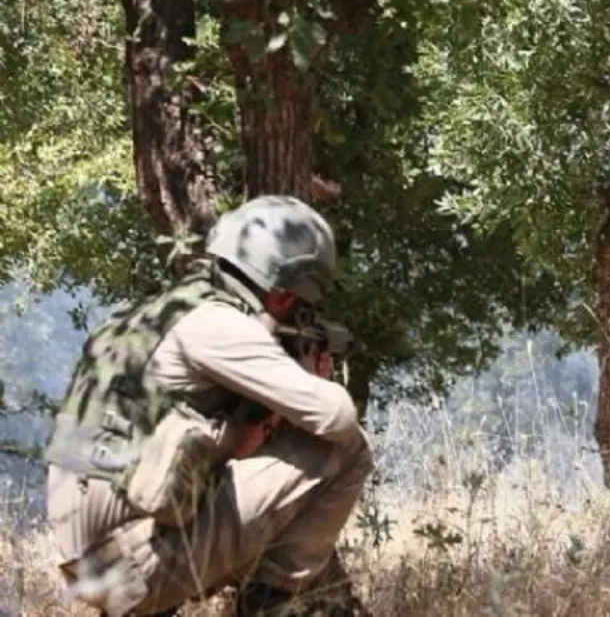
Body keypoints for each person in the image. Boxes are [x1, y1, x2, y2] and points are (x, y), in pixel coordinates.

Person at [42, 195, 375, 616]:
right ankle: (275, 605)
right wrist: (309, 381)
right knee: (345, 449)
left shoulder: (145, 316)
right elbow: (337, 418)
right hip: (128, 569)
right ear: (284, 295)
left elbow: (197, 445)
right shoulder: (218, 325)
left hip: (90, 565)